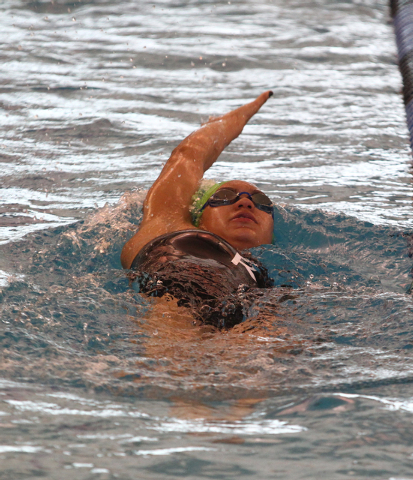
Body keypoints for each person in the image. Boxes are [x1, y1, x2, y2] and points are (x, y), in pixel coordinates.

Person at [121, 91, 275, 328]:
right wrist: (246, 111)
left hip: (249, 311)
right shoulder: (167, 222)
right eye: (224, 196)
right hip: (175, 301)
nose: (246, 203)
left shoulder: (266, 276)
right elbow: (190, 154)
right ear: (199, 215)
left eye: (260, 201)